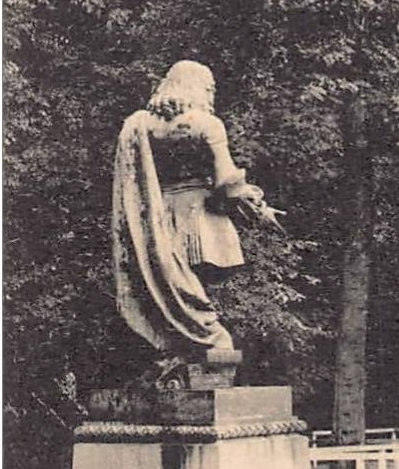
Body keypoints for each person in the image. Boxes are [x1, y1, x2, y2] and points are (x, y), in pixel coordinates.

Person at [111, 60, 283, 365]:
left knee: (171, 282)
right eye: (209, 87)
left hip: (155, 220)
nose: (212, 93)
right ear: (197, 86)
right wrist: (259, 209)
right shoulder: (206, 124)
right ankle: (208, 338)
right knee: (190, 283)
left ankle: (184, 346)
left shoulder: (140, 124)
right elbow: (227, 182)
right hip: (201, 217)